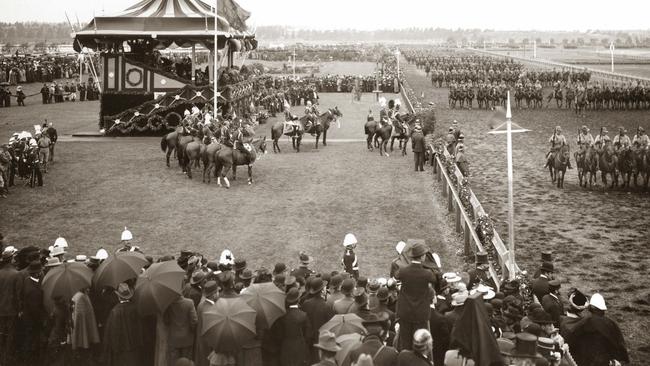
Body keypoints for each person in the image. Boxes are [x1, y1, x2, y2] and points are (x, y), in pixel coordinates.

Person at [565, 293, 629, 366]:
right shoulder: (611, 323)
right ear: (603, 309)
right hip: (607, 361)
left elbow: (571, 339)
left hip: (586, 360)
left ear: (591, 308)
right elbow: (620, 345)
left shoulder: (584, 322)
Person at [395, 242, 437, 351]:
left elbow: (396, 276)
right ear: (422, 256)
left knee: (406, 343)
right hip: (421, 314)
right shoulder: (427, 274)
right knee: (420, 343)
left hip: (405, 312)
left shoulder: (403, 271)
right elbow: (436, 278)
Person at [102, 282, 144, 366]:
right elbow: (140, 328)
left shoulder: (115, 311)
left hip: (120, 348)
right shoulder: (135, 308)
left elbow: (112, 333)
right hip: (135, 346)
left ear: (118, 296)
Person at [0, 248, 21, 366]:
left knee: (2, 334)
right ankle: (8, 360)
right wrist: (19, 309)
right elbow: (18, 295)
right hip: (12, 310)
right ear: (11, 259)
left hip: (1, 310)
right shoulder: (16, 274)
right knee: (11, 336)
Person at [165, 294, 198, 363]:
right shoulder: (189, 303)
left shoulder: (168, 304)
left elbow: (166, 320)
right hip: (187, 338)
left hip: (173, 338)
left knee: (174, 362)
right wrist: (191, 331)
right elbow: (194, 321)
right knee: (186, 362)